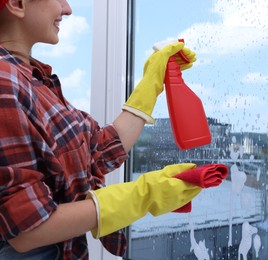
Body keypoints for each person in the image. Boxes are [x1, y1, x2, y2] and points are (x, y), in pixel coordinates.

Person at [0, 0, 201, 259]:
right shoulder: (5, 81)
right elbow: (28, 230)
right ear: (17, 4)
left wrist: (151, 82)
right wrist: (142, 196)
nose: (67, 8)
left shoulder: (33, 79)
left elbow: (99, 150)